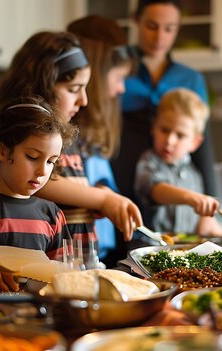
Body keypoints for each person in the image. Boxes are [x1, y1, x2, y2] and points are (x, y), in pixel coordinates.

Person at [0, 32, 143, 258]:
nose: (84, 100)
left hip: (78, 264)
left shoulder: (64, 132)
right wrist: (101, 198)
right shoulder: (26, 132)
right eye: (73, 89)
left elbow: (68, 187)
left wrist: (98, 195)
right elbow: (43, 183)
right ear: (43, 87)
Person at [0, 98, 76, 299]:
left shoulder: (52, 214)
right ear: (2, 151)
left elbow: (61, 274)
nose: (43, 170)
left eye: (51, 161)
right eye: (33, 157)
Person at [112, 0, 217, 206]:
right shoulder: (116, 70)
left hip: (171, 188)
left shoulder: (191, 79)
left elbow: (203, 149)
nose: (160, 37)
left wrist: (210, 202)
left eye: (169, 28)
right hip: (119, 177)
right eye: (151, 26)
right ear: (136, 21)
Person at [66, 16, 137, 266]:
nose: (121, 89)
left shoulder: (92, 132)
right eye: (119, 78)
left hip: (93, 254)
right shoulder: (63, 128)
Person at [134, 88, 222, 235]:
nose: (170, 140)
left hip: (184, 249)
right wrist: (190, 197)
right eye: (164, 130)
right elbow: (155, 189)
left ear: (195, 142)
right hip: (151, 247)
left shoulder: (194, 174)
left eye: (180, 135)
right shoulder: (148, 161)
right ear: (153, 127)